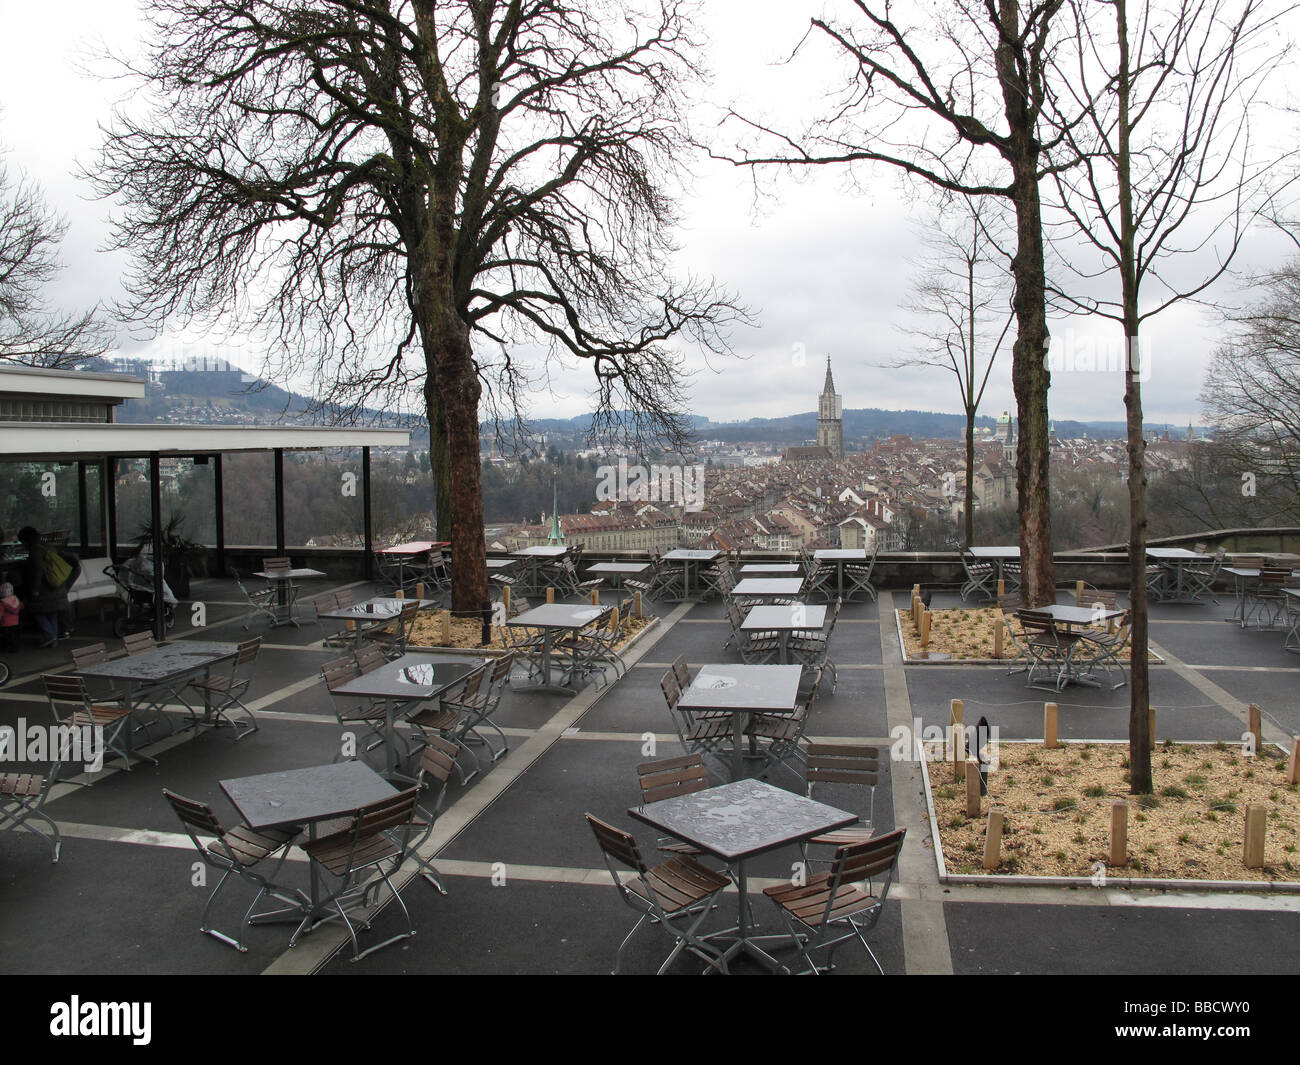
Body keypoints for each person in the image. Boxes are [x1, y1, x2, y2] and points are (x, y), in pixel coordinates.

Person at [16, 527, 79, 648]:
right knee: (52, 613)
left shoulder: (35, 550)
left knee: (37, 611)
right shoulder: (48, 546)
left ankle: (50, 636)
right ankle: (52, 640)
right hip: (57, 585)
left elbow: (38, 570)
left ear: (26, 540)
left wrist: (35, 589)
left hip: (45, 588)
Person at [0, 581, 21, 651]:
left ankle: (8, 648)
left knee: (7, 637)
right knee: (15, 636)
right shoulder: (16, 600)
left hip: (6, 624)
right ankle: (15, 647)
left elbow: (0, 612)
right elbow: (21, 605)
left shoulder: (2, 603)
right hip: (16, 623)